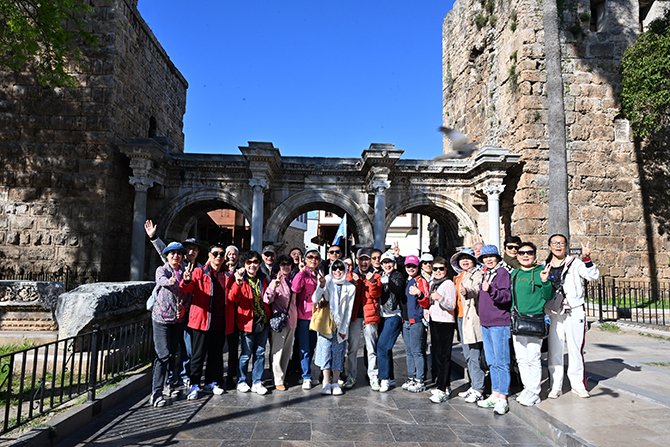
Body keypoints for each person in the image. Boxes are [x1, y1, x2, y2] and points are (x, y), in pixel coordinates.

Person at [144, 219, 200, 388]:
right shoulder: (169, 267)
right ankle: (163, 385)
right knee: (165, 352)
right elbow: (164, 254)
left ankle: (179, 377)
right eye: (188, 249)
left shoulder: (195, 268)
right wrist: (154, 238)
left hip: (184, 314)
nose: (191, 252)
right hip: (164, 316)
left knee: (181, 349)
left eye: (194, 249)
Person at [545, 234, 599, 399]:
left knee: (575, 348)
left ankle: (577, 385)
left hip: (574, 309)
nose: (558, 246)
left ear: (566, 245)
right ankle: (555, 385)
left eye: (561, 243)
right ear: (549, 246)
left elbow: (592, 275)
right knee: (555, 349)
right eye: (555, 243)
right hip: (554, 312)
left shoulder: (575, 263)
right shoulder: (544, 265)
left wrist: (587, 258)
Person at [180, 242, 230, 399]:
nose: (218, 257)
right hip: (201, 320)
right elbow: (186, 289)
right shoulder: (199, 272)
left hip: (219, 321)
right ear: (209, 255)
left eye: (221, 254)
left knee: (215, 354)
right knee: (198, 355)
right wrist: (186, 280)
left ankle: (211, 382)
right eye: (215, 254)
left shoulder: (227, 275)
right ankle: (194, 384)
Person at [510, 242, 552, 407]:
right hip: (518, 319)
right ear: (517, 255)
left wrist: (545, 281)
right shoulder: (515, 273)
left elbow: (548, 295)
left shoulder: (540, 271)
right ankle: (528, 388)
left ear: (535, 255)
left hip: (534, 318)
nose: (525, 255)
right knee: (521, 358)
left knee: (533, 357)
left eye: (529, 252)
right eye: (521, 253)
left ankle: (534, 392)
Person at [150, 242, 190, 407]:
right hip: (161, 318)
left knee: (172, 353)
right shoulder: (162, 270)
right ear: (167, 256)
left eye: (179, 253)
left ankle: (168, 384)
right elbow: (161, 280)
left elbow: (188, 294)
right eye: (172, 253)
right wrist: (170, 281)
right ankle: (156, 392)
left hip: (177, 319)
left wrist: (184, 308)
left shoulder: (185, 271)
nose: (175, 256)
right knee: (163, 354)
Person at [475, 245, 512, 415]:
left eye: (491, 256)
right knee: (491, 360)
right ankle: (495, 393)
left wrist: (491, 290)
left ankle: (503, 397)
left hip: (499, 322)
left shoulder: (502, 273)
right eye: (485, 257)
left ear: (497, 257)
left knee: (501, 360)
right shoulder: (486, 273)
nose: (488, 259)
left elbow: (506, 297)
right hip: (486, 323)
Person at [229, 250, 271, 395]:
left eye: (255, 262)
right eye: (249, 262)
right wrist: (237, 283)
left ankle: (257, 382)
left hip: (262, 321)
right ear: (244, 264)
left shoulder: (263, 278)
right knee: (246, 354)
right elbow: (232, 298)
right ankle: (241, 380)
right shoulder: (240, 278)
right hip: (247, 321)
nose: (252, 265)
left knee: (260, 353)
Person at [312, 259, 356, 395]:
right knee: (325, 352)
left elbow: (348, 310)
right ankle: (326, 382)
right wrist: (321, 285)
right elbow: (314, 299)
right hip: (326, 323)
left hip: (340, 324)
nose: (338, 271)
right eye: (335, 268)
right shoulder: (327, 281)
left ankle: (336, 381)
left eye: (341, 268)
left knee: (338, 353)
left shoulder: (350, 287)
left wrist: (344, 329)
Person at [450, 248, 485, 403]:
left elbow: (476, 288)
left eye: (468, 258)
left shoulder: (477, 274)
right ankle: (473, 384)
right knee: (467, 354)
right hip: (460, 317)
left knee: (474, 353)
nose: (464, 261)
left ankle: (479, 388)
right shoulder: (459, 276)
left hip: (471, 318)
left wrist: (467, 291)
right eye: (462, 258)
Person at [345, 247, 382, 390]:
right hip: (355, 317)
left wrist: (371, 282)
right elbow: (347, 293)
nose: (364, 262)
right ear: (357, 260)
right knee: (352, 349)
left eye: (367, 259)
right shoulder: (351, 275)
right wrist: (354, 282)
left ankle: (373, 377)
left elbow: (376, 294)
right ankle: (351, 376)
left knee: (371, 349)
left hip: (370, 316)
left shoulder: (375, 276)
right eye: (362, 259)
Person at [263, 255, 298, 391]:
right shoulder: (276, 280)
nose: (286, 267)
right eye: (283, 264)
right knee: (277, 351)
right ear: (279, 266)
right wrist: (274, 285)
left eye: (288, 264)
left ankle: (283, 375)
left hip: (292, 320)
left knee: (287, 351)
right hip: (280, 320)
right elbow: (267, 299)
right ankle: (277, 379)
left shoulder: (293, 279)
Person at [426, 256, 457, 403]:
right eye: (435, 269)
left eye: (441, 269)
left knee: (444, 356)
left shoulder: (448, 284)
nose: (438, 271)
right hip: (435, 321)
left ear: (446, 270)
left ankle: (442, 388)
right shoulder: (433, 283)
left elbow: (451, 305)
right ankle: (444, 384)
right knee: (437, 354)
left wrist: (440, 298)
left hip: (445, 322)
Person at [291, 248, 322, 389]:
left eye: (316, 257)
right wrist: (301, 272)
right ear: (305, 259)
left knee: (312, 346)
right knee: (304, 347)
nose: (313, 260)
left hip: (317, 316)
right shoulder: (303, 274)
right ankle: (306, 376)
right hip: (304, 316)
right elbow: (295, 288)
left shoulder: (319, 275)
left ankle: (307, 372)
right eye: (310, 257)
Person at [401, 255, 430, 393]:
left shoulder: (421, 281)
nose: (411, 268)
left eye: (413, 266)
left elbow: (426, 301)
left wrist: (420, 294)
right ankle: (411, 377)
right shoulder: (406, 280)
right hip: (406, 321)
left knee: (417, 351)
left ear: (418, 267)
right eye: (408, 266)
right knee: (409, 351)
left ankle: (420, 380)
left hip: (416, 322)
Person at [376, 251, 405, 393]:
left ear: (394, 264)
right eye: (384, 262)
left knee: (382, 346)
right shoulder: (378, 276)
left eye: (390, 262)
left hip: (394, 314)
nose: (387, 265)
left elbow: (399, 290)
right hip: (381, 315)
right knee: (385, 347)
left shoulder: (397, 275)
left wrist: (389, 282)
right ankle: (390, 377)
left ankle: (384, 378)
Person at [224, 244, 241, 388]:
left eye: (234, 253)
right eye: (229, 253)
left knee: (233, 348)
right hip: (221, 313)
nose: (231, 256)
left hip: (236, 314)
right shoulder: (219, 269)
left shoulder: (241, 270)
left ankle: (232, 375)